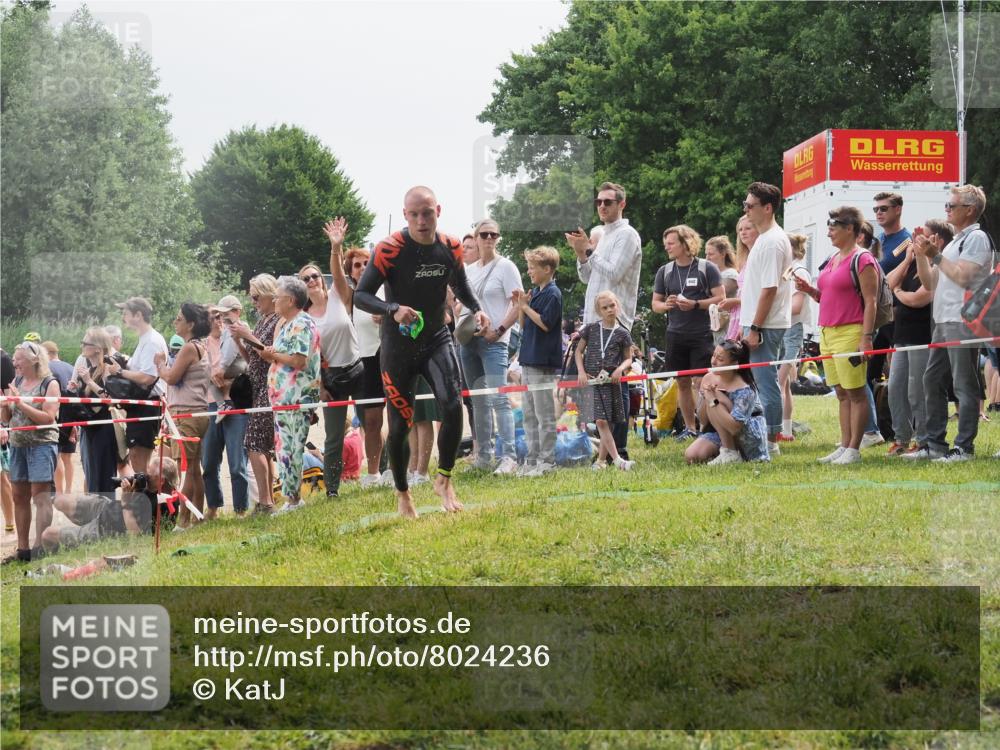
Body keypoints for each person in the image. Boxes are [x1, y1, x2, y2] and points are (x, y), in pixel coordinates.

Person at [353, 185, 489, 518]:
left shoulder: (450, 246)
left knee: (453, 403)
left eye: (427, 213)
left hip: (435, 338)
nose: (421, 220)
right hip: (397, 346)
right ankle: (403, 495)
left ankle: (443, 478)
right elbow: (361, 295)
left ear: (438, 211)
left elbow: (459, 283)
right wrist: (393, 308)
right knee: (399, 425)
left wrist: (476, 308)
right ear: (405, 215)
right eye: (414, 214)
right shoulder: (389, 249)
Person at [911, 185, 994, 462]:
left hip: (963, 320)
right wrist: (922, 255)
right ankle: (934, 445)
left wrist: (935, 254)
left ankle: (964, 447)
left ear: (969, 210)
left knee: (963, 384)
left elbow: (964, 278)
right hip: (943, 320)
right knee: (931, 379)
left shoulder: (977, 238)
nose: (946, 210)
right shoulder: (955, 242)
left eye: (951, 206)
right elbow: (930, 282)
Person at [796, 206, 879, 465]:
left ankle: (854, 448)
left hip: (851, 331)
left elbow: (871, 301)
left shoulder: (863, 259)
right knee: (841, 392)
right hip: (827, 331)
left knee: (856, 393)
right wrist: (810, 290)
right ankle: (844, 446)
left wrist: (866, 337)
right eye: (829, 224)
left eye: (835, 225)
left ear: (851, 229)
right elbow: (828, 297)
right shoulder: (833, 259)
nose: (829, 230)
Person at [566, 181, 643, 461]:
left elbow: (613, 273)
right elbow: (588, 277)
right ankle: (607, 447)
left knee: (616, 381)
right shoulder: (604, 235)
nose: (602, 206)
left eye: (608, 202)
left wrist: (588, 250)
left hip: (615, 319)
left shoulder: (627, 235)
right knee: (601, 383)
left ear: (621, 204)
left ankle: (618, 448)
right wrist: (580, 253)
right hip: (593, 320)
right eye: (598, 202)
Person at [457, 219, 523, 474]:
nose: (488, 238)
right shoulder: (469, 270)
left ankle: (509, 457)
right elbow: (463, 303)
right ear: (476, 236)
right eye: (484, 234)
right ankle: (483, 456)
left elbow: (517, 304)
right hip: (469, 341)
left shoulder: (506, 267)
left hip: (495, 342)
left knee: (499, 398)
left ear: (498, 238)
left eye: (493, 234)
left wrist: (499, 331)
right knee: (478, 400)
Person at [651, 224, 724, 440]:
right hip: (675, 334)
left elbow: (720, 298)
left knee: (701, 382)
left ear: (686, 243)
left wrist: (694, 304)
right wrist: (668, 305)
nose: (668, 247)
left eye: (671, 243)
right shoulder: (665, 271)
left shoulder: (706, 268)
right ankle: (690, 428)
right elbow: (655, 303)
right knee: (682, 382)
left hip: (701, 333)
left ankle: (707, 427)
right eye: (666, 244)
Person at [307, 221, 363, 498]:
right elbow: (309, 357)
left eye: (315, 276)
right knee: (333, 437)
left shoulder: (338, 297)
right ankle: (332, 489)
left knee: (375, 422)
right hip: (332, 378)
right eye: (305, 279)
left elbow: (338, 274)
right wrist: (320, 387)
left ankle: (379, 475)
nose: (311, 281)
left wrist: (336, 247)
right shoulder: (304, 319)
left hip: (358, 367)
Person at [740, 182, 793, 454]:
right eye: (745, 205)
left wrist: (755, 327)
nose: (746, 209)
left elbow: (770, 289)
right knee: (759, 382)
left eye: (750, 205)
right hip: (756, 322)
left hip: (765, 325)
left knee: (766, 383)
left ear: (768, 208)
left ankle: (771, 442)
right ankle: (762, 435)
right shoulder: (764, 238)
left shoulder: (772, 241)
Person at [262, 276, 321, 512]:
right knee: (284, 447)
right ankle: (291, 498)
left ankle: (295, 500)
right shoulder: (288, 323)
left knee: (292, 447)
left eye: (278, 296)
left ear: (291, 300)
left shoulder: (302, 323)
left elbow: (299, 360)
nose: (275, 300)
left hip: (296, 398)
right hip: (283, 400)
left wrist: (272, 356)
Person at [883, 220, 942, 456]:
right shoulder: (910, 265)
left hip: (922, 336)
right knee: (896, 388)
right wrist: (907, 259)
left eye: (923, 237)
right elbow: (886, 285)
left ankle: (924, 440)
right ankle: (901, 439)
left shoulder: (934, 269)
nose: (917, 240)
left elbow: (919, 299)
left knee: (917, 391)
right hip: (901, 336)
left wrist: (899, 293)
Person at [40, 457, 179, 553]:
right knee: (60, 501)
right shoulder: (163, 491)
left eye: (149, 475)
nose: (145, 476)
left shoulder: (161, 506)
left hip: (106, 529)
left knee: (47, 535)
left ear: (161, 481)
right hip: (108, 507)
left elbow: (136, 535)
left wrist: (126, 500)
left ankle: (64, 548)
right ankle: (74, 529)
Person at [0, 341, 59, 563]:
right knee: (18, 496)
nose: (14, 363)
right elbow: (6, 419)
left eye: (19, 359)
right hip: (18, 445)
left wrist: (20, 403)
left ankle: (40, 547)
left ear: (34, 360)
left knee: (40, 496)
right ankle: (22, 550)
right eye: (14, 359)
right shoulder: (16, 381)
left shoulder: (49, 383)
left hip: (42, 445)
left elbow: (49, 417)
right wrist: (6, 406)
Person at [154, 303, 212, 526]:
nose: (175, 322)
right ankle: (198, 516)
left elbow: (171, 377)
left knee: (184, 468)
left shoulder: (188, 348)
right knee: (194, 467)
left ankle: (183, 521)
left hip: (186, 414)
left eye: (179, 319)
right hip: (196, 413)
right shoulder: (200, 346)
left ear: (191, 324)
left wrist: (160, 364)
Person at [229, 273, 280, 513]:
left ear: (271, 294)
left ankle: (266, 501)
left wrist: (248, 336)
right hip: (258, 385)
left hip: (270, 386)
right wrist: (240, 342)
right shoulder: (263, 320)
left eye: (257, 297)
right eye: (252, 298)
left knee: (253, 443)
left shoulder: (278, 319)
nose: (254, 302)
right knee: (262, 445)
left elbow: (270, 354)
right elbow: (253, 360)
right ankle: (266, 500)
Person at [513, 245, 563, 477]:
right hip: (528, 359)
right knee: (529, 414)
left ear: (547, 268)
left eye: (533, 267)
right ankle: (531, 459)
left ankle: (547, 460)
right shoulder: (536, 292)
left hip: (542, 361)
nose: (529, 271)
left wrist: (525, 306)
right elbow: (524, 325)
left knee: (544, 415)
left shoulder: (553, 293)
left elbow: (545, 323)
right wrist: (521, 306)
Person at [575, 290, 635, 471]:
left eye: (612, 306)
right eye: (605, 307)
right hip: (592, 382)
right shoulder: (591, 329)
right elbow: (579, 351)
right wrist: (581, 372)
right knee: (600, 421)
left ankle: (600, 461)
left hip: (610, 383)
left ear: (618, 306)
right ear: (599, 311)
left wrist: (619, 369)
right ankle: (618, 460)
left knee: (607, 423)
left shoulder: (623, 334)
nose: (609, 310)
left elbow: (628, 358)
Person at [684, 339, 769, 465]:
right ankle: (726, 451)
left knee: (717, 398)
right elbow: (703, 420)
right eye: (714, 355)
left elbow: (735, 428)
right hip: (720, 429)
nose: (713, 361)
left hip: (747, 434)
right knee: (692, 455)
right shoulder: (709, 378)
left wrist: (714, 398)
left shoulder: (745, 388)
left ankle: (730, 452)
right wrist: (706, 396)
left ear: (735, 363)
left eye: (720, 359)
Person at [202, 296, 250, 517]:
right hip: (211, 405)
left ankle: (240, 510)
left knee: (237, 463)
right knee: (209, 462)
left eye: (220, 315)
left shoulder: (237, 333)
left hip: (238, 402)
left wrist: (226, 379)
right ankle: (213, 508)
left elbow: (247, 364)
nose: (218, 320)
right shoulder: (202, 343)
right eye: (214, 316)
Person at [345, 245, 389, 488]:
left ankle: (397, 469)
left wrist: (387, 316)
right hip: (367, 362)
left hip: (391, 358)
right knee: (371, 421)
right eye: (356, 265)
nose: (362, 268)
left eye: (365, 263)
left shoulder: (386, 289)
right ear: (351, 272)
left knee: (399, 417)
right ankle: (373, 473)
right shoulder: (352, 297)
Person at [109, 297, 167, 474]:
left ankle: (147, 499)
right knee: (136, 457)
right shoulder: (146, 339)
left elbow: (147, 377)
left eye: (125, 313)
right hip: (142, 405)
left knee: (139, 458)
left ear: (139, 315)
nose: (123, 317)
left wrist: (120, 372)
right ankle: (146, 498)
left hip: (148, 405)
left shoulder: (151, 340)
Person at [71, 328, 120, 495]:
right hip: (89, 428)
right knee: (90, 473)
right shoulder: (88, 368)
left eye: (86, 343)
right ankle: (95, 516)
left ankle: (106, 518)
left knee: (104, 475)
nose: (82, 346)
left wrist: (89, 382)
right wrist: (76, 388)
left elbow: (109, 398)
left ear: (98, 348)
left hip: (104, 428)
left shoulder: (107, 367)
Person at [775, 233, 813, 442]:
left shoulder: (798, 272)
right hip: (783, 330)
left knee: (779, 383)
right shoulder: (786, 271)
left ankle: (778, 429)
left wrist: (772, 309)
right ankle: (786, 431)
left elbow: (796, 306)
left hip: (791, 330)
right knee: (785, 384)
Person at [41, 340, 78, 493]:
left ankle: (60, 492)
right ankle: (69, 491)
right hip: (73, 415)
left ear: (46, 353)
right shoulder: (70, 367)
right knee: (68, 456)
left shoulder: (47, 368)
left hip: (58, 415)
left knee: (56, 455)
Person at [722, 216, 759, 342]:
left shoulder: (759, 255)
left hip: (751, 317)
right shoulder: (745, 258)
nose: (743, 232)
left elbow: (760, 293)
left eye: (748, 228)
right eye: (740, 229)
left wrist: (735, 301)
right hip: (740, 315)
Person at [705, 235, 739, 344]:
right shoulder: (709, 275)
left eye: (711, 254)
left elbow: (717, 296)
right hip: (715, 324)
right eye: (706, 254)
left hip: (728, 325)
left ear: (723, 254)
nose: (707, 258)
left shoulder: (730, 274)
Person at [1, 348, 15, 534]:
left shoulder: (3, 359)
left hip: (4, 430)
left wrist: (2, 426)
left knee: (5, 478)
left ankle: (11, 521)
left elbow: (6, 400)